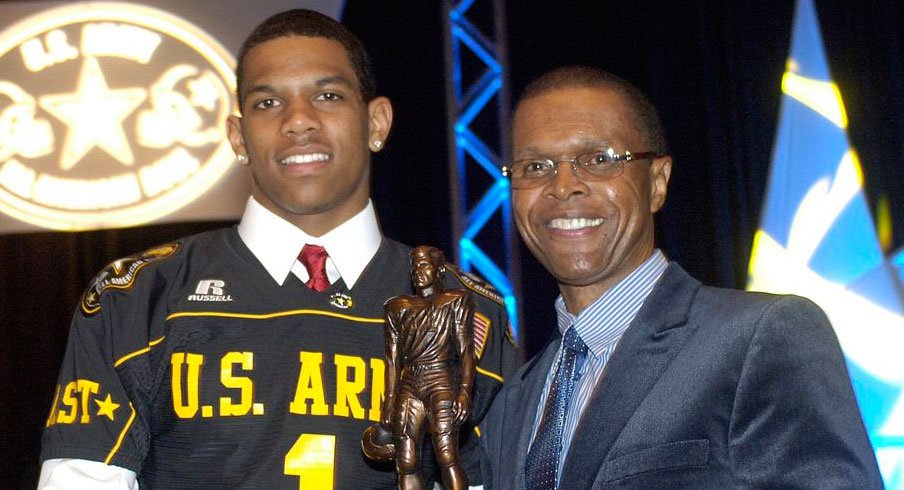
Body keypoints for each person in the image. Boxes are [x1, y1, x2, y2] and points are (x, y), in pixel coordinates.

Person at [38, 9, 516, 489]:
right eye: (268, 103)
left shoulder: (473, 309)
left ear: (377, 123)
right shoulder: (139, 296)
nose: (299, 121)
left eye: (327, 96)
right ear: (237, 137)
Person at [482, 66, 883, 489]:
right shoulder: (514, 399)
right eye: (535, 166)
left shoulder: (759, 337)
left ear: (658, 182)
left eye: (598, 160)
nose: (562, 187)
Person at [365, 246, 476, 490]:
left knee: (447, 455)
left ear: (439, 271)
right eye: (415, 266)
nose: (418, 271)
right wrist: (388, 404)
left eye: (424, 265)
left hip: (441, 379)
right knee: (406, 461)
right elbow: (392, 360)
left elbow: (467, 351)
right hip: (410, 383)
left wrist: (465, 391)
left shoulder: (455, 300)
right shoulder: (398, 307)